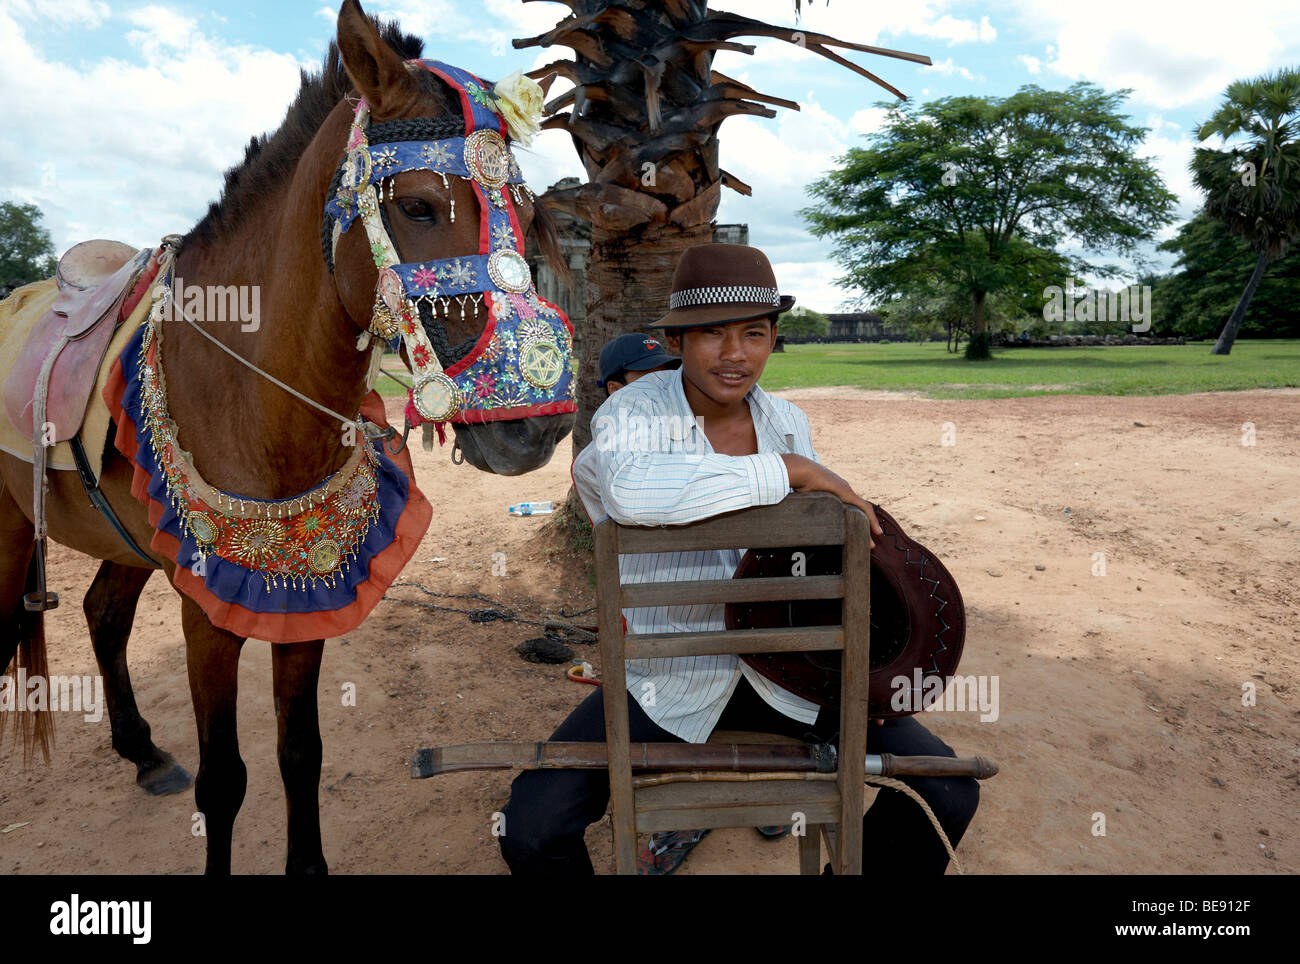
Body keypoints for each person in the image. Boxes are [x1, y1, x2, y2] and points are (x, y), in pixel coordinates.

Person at [499, 243, 979, 875]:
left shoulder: (787, 420)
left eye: (754, 333)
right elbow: (632, 490)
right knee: (531, 826)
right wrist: (794, 470)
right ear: (678, 339)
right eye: (712, 335)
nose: (735, 354)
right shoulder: (633, 409)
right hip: (668, 680)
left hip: (794, 677)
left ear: (773, 337)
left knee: (946, 787)